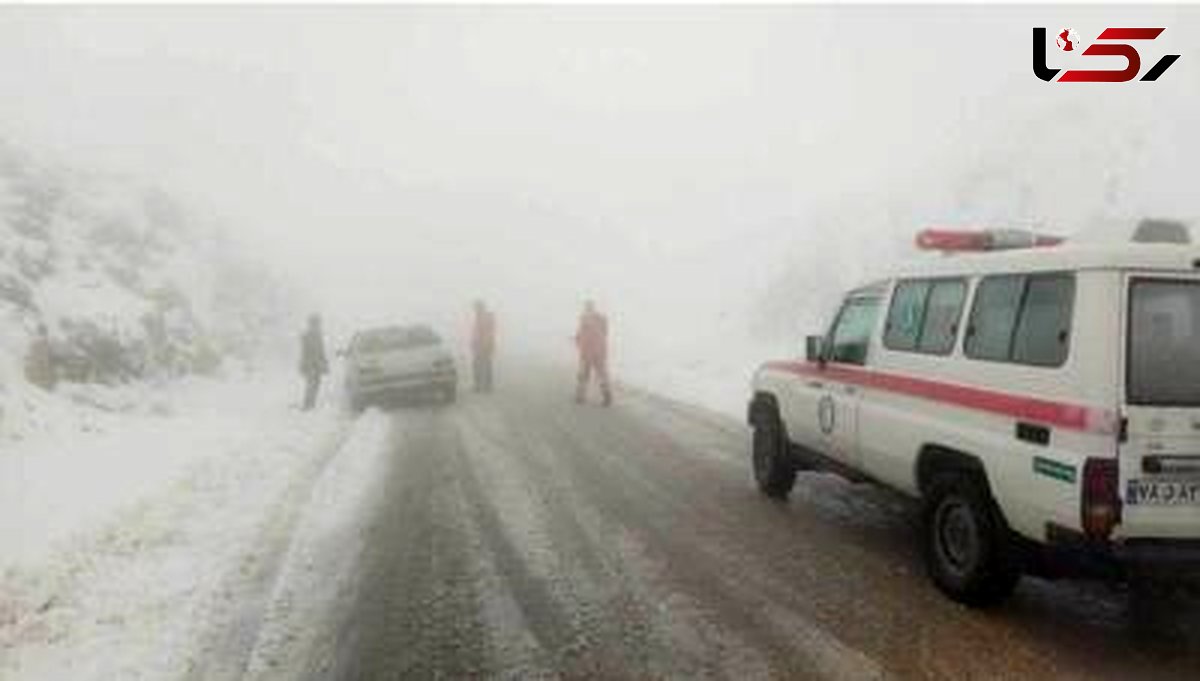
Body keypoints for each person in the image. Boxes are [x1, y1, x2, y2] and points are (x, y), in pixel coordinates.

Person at [574, 300, 612, 406]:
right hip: (599, 351)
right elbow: (605, 333)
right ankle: (607, 396)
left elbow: (580, 335)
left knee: (583, 375)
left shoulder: (584, 319)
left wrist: (577, 341)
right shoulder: (602, 319)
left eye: (587, 308)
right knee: (602, 375)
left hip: (588, 352)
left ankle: (580, 396)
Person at [299, 314, 328, 410]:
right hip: (311, 364)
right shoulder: (308, 335)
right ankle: (307, 405)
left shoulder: (317, 335)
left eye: (318, 323)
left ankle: (310, 404)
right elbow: (307, 352)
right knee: (311, 384)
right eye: (316, 323)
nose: (318, 325)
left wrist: (324, 363)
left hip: (316, 364)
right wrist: (305, 365)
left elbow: (321, 351)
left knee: (316, 384)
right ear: (312, 324)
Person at [471, 300, 496, 393]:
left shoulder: (485, 317)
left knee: (482, 366)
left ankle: (483, 386)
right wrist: (473, 343)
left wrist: (485, 345)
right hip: (480, 345)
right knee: (480, 365)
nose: (475, 310)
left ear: (481, 307)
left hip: (484, 346)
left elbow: (487, 333)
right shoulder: (479, 317)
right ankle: (483, 385)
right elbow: (476, 332)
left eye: (476, 307)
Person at [24, 323, 57, 390]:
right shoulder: (37, 343)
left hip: (42, 366)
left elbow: (49, 356)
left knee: (43, 372)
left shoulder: (44, 343)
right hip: (39, 367)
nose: (44, 335)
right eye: (42, 333)